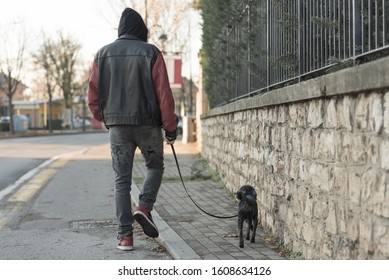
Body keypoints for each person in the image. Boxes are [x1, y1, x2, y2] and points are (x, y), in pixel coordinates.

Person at [87, 7, 178, 251]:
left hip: (118, 127)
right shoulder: (151, 52)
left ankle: (125, 237)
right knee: (155, 167)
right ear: (142, 30)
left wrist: (106, 118)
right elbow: (164, 95)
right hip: (148, 124)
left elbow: (93, 96)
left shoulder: (102, 54)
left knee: (121, 181)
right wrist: (170, 127)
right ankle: (144, 206)